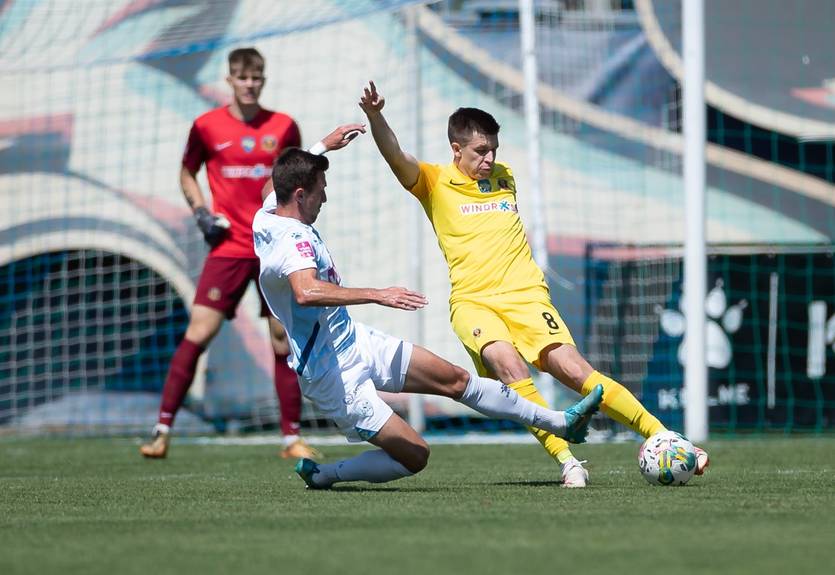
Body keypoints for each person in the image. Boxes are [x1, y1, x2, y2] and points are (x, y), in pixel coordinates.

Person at [358, 81, 709, 487]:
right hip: (474, 303)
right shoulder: (434, 182)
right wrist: (376, 116)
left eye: (493, 151)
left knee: (578, 373)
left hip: (527, 297)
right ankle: (568, 461)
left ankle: (665, 437)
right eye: (480, 152)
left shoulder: (505, 177)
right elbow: (396, 156)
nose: (489, 159)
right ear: (456, 150)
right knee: (510, 366)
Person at [253, 147, 604, 489]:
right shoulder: (293, 239)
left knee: (455, 379)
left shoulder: (269, 213)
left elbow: (274, 185)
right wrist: (379, 294)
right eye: (320, 192)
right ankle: (325, 475)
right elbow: (306, 291)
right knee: (416, 455)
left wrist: (323, 146)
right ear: (300, 195)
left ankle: (561, 422)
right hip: (332, 373)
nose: (324, 200)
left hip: (354, 340)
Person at [139, 47, 363, 459]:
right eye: (242, 77)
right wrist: (201, 211)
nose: (250, 84)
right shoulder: (206, 126)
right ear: (230, 80)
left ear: (263, 80)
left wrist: (320, 148)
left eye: (256, 78)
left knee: (281, 339)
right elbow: (187, 172)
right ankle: (162, 430)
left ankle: (290, 438)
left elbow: (294, 172)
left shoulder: (282, 126)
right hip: (228, 248)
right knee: (199, 332)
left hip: (271, 246)